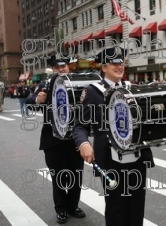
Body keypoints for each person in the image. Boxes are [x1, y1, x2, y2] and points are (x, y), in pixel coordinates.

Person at [73, 46, 155, 226]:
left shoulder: (132, 88)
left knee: (136, 205)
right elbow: (80, 126)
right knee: (116, 207)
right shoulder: (93, 91)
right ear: (104, 67)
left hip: (137, 157)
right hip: (111, 160)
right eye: (114, 63)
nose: (119, 66)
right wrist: (84, 144)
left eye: (121, 63)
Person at [25, 54, 86, 224]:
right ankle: (61, 209)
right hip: (53, 140)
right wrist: (38, 99)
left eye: (63, 66)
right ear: (53, 69)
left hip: (75, 139)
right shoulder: (46, 85)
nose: (60, 70)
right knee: (58, 176)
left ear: (68, 67)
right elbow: (29, 102)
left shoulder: (79, 85)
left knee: (76, 175)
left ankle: (73, 206)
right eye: (57, 67)